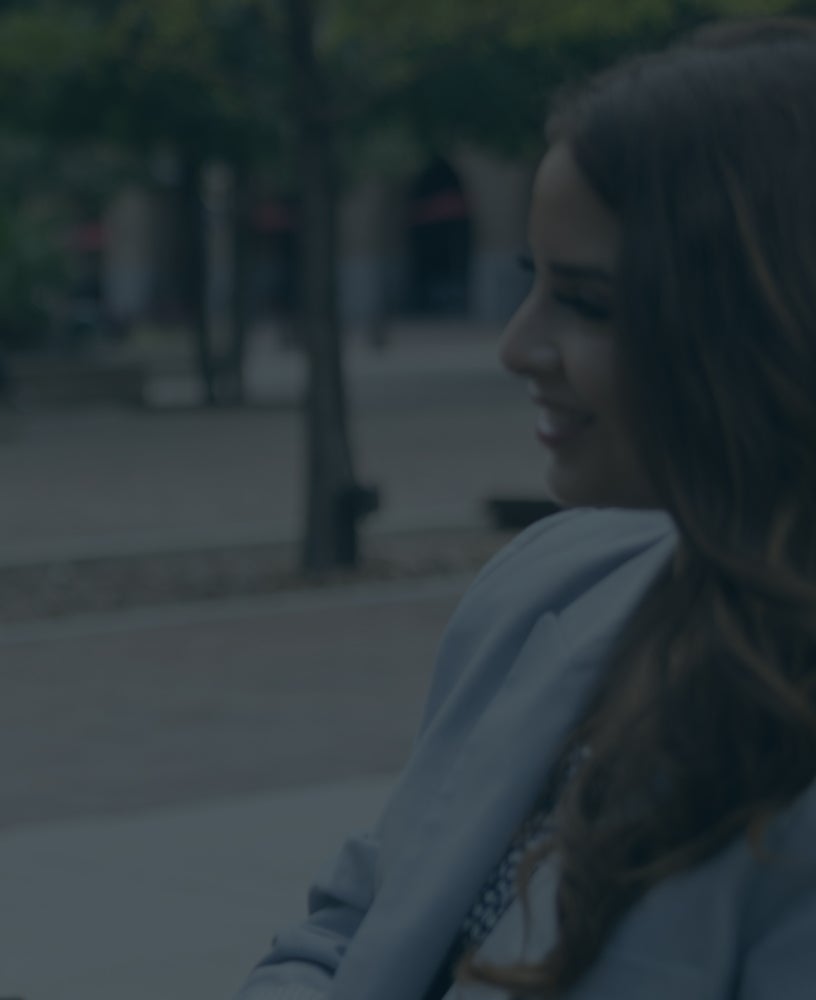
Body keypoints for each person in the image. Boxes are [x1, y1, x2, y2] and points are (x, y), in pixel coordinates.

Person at [234, 19, 816, 1000]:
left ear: (759, 318)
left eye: (585, 302)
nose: (516, 346)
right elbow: (346, 928)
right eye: (529, 282)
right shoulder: (550, 579)